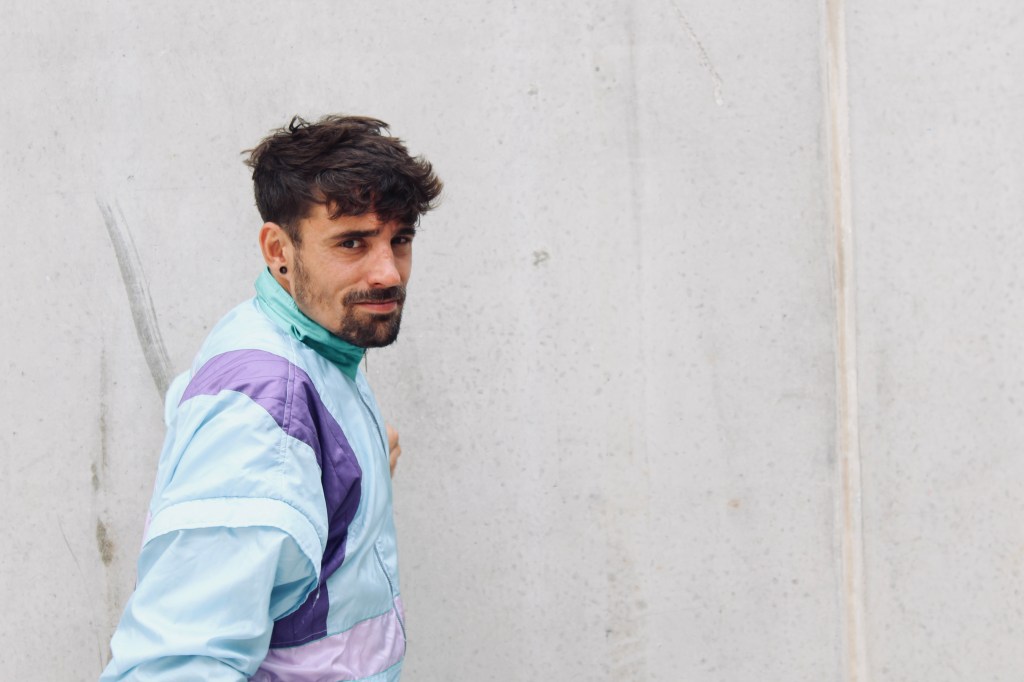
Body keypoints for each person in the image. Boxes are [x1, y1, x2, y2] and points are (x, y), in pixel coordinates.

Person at [101, 115, 443, 681]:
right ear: (279, 249)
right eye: (352, 242)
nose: (388, 272)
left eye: (399, 239)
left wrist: (349, 473)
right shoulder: (266, 417)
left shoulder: (310, 343)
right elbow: (177, 666)